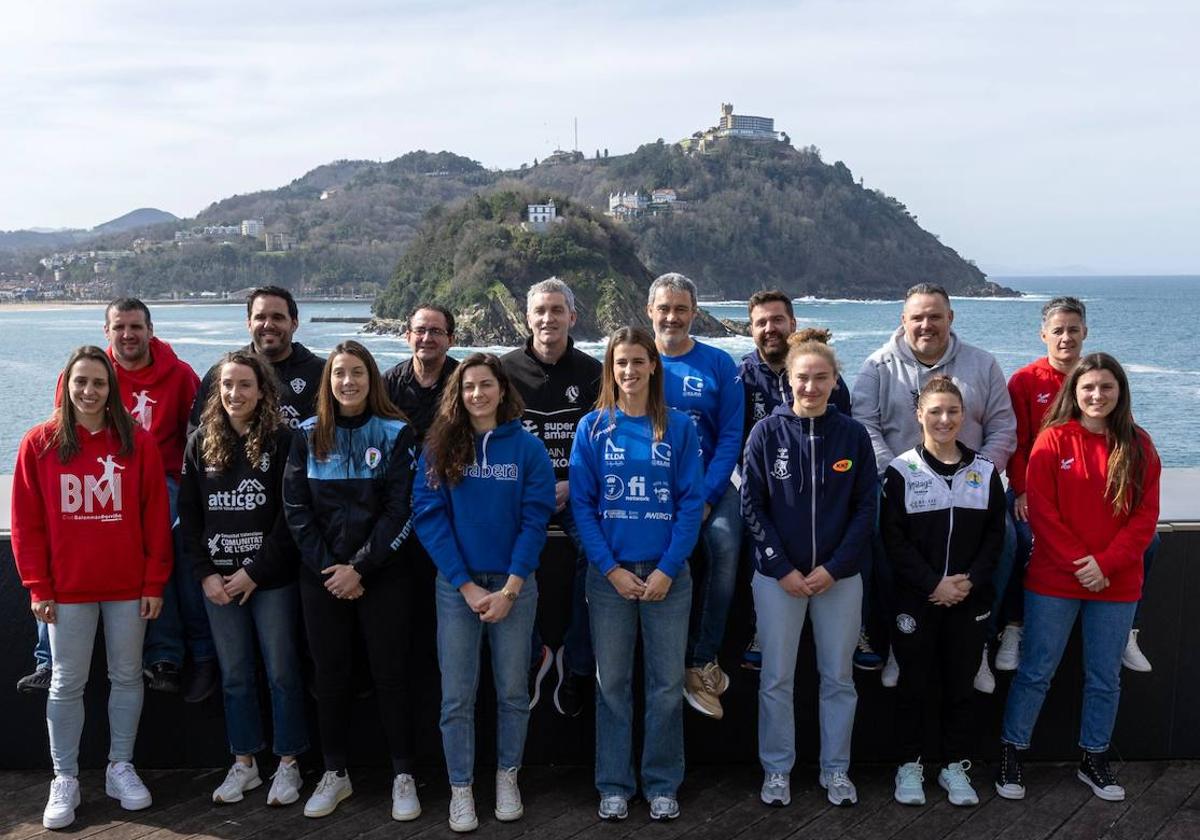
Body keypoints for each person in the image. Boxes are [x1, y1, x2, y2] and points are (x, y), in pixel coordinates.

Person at [11, 346, 172, 830]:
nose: (89, 390)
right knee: (65, 682)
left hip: (127, 587)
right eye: (80, 381)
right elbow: (27, 524)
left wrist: (153, 581)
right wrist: (38, 587)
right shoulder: (39, 443)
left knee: (126, 676)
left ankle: (120, 766)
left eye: (98, 382)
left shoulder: (136, 443)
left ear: (112, 389)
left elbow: (155, 519)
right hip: (67, 590)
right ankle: (65, 778)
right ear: (66, 386)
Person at [17, 300, 208, 700]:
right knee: (54, 532)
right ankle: (46, 658)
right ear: (107, 331)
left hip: (163, 478)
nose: (128, 334)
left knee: (169, 534)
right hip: (98, 473)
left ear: (150, 330)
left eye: (136, 326)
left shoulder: (180, 375)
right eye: (119, 326)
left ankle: (164, 654)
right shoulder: (87, 373)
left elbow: (196, 437)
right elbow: (63, 428)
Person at [995, 353, 1161, 803]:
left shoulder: (1140, 445)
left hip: (1116, 582)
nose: (1097, 395)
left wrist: (1104, 565)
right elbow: (1043, 513)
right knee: (1035, 672)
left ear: (1120, 392)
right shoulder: (1052, 441)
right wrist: (1079, 563)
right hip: (1054, 579)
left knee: (1104, 677)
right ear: (1075, 391)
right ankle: (1012, 752)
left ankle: (1094, 757)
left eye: (1106, 387)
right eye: (1088, 387)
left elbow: (1145, 519)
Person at [413, 353, 556, 832]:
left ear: (502, 389)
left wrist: (511, 588)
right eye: (469, 386)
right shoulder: (439, 446)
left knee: (513, 691)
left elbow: (536, 519)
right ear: (458, 392)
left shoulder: (528, 450)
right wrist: (467, 586)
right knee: (456, 695)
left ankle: (506, 777)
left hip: (515, 587)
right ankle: (460, 788)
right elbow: (429, 517)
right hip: (458, 589)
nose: (477, 394)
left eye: (486, 385)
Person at [852, 283, 1016, 691]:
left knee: (1009, 541)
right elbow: (864, 425)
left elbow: (1002, 427)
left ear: (951, 319)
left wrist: (980, 480)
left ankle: (980, 638)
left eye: (935, 316)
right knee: (876, 539)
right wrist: (899, 476)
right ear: (903, 321)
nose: (926, 325)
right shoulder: (878, 366)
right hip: (896, 488)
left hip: (971, 488)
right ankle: (896, 638)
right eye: (917, 317)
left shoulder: (983, 364)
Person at [282, 340, 421, 821]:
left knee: (391, 675)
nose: (347, 382)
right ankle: (334, 773)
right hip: (321, 578)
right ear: (328, 381)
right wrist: (332, 571)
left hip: (382, 576)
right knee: (330, 677)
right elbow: (296, 511)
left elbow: (401, 511)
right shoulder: (306, 434)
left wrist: (360, 568)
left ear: (371, 378)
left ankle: (404, 774)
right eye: (339, 373)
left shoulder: (396, 432)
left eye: (357, 373)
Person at [570, 327, 704, 821]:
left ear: (653, 366)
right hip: (610, 580)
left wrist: (669, 568)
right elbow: (582, 506)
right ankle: (614, 784)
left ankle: (662, 782)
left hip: (669, 577)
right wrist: (610, 570)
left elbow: (692, 503)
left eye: (637, 362)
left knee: (667, 685)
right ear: (611, 368)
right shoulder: (593, 428)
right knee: (613, 685)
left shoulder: (680, 427)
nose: (629, 371)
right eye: (620, 362)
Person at [742, 333, 876, 809]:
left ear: (834, 380)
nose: (811, 386)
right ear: (789, 381)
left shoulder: (853, 436)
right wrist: (782, 568)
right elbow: (751, 505)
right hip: (778, 579)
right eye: (803, 377)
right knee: (776, 678)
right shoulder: (766, 433)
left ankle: (835, 770)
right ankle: (777, 770)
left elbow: (866, 510)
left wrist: (835, 568)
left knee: (838, 678)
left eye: (821, 378)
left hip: (839, 580)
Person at [996, 297, 1155, 673]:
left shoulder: (1101, 379)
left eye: (1073, 330)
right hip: (1036, 489)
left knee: (1151, 542)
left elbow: (1122, 441)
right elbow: (1016, 443)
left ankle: (1127, 628)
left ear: (1085, 333)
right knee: (1019, 538)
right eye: (1058, 331)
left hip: (1092, 490)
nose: (1066, 337)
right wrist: (1021, 490)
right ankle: (1014, 626)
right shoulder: (1024, 381)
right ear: (1043, 335)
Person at [178, 352, 308, 807]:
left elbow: (291, 518)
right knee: (234, 676)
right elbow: (189, 519)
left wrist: (256, 572)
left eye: (245, 385)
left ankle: (289, 764)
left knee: (282, 673)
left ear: (262, 390)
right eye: (227, 385)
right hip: (218, 582)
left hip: (270, 581)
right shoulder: (200, 443)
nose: (235, 393)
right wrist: (206, 575)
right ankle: (245, 763)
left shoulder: (284, 439)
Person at [882, 376, 1005, 808]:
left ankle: (955, 765)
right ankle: (909, 764)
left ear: (964, 416)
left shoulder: (984, 472)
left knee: (961, 685)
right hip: (917, 599)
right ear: (919, 415)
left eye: (952, 411)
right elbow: (893, 539)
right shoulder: (901, 471)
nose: (944, 419)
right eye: (935, 411)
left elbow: (995, 537)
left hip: (969, 599)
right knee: (914, 685)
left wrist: (968, 580)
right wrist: (932, 582)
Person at [500, 277, 602, 716]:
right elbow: (492, 443)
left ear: (572, 318)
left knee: (599, 561)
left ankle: (577, 665)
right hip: (521, 496)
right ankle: (534, 655)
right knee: (502, 558)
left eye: (557, 310)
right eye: (540, 311)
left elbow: (605, 443)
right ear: (528, 317)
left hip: (578, 493)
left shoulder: (595, 373)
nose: (548, 318)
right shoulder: (503, 372)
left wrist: (574, 485)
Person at [647, 272, 744, 719]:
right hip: (651, 485)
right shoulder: (635, 361)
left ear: (694, 313)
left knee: (723, 541)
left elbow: (730, 437)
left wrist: (706, 497)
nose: (672, 317)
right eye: (664, 308)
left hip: (708, 483)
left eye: (681, 309)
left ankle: (702, 658)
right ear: (650, 311)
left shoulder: (720, 364)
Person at [738, 290, 851, 670]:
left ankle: (861, 623)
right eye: (761, 323)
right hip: (753, 482)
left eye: (778, 321)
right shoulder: (741, 377)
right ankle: (753, 626)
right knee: (727, 536)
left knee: (865, 522)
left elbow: (845, 436)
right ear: (751, 329)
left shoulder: (827, 379)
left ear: (792, 324)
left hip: (821, 483)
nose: (770, 329)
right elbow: (732, 440)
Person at [190, 286, 326, 434]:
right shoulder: (223, 373)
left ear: (294, 323)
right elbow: (197, 434)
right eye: (260, 317)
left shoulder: (322, 373)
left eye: (277, 317)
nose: (268, 324)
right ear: (249, 324)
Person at [384, 304, 460, 441]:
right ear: (408, 337)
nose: (426, 338)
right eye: (420, 331)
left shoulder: (464, 381)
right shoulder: (389, 383)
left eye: (436, 331)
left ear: (450, 340)